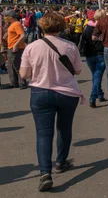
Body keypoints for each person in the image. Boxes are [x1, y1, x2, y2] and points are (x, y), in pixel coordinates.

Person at [19, 12, 83, 192]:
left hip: (40, 91)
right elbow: (77, 70)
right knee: (64, 128)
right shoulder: (70, 46)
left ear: (42, 27)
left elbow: (24, 74)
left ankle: (45, 173)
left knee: (43, 133)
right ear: (61, 27)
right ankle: (61, 162)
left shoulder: (31, 47)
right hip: (66, 92)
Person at [80, 10, 107, 107]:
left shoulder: (86, 27)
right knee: (97, 76)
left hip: (89, 55)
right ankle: (93, 97)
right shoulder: (103, 27)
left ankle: (100, 94)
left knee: (95, 76)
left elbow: (82, 41)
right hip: (100, 54)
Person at [3, 9, 27, 89]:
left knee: (17, 65)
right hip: (11, 47)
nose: (5, 17)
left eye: (6, 16)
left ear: (10, 17)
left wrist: (16, 45)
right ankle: (14, 82)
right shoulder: (12, 24)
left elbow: (22, 35)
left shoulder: (16, 24)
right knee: (11, 66)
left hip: (16, 48)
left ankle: (22, 83)